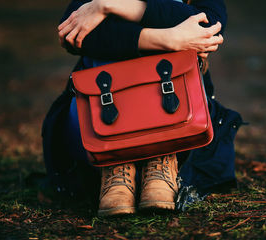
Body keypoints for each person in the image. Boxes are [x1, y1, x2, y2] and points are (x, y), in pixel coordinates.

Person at [41, 0, 243, 216]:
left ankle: (162, 157)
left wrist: (111, 6)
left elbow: (208, 25)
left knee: (168, 6)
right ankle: (117, 164)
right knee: (162, 13)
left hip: (182, 131)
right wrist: (168, 39)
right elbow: (73, 34)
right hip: (98, 139)